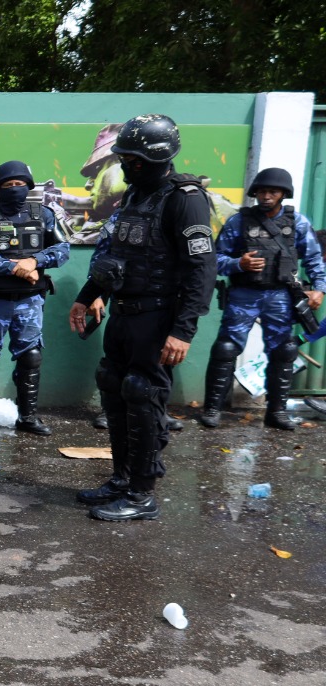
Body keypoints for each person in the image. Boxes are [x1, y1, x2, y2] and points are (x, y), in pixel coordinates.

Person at [69, 114, 215, 522]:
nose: (126, 165)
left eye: (132, 158)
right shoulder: (135, 197)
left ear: (155, 158)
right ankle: (122, 479)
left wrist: (183, 331)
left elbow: (201, 269)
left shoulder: (185, 198)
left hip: (157, 319)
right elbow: (117, 257)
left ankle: (142, 494)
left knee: (142, 394)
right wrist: (87, 296)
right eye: (123, 157)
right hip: (123, 313)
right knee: (114, 387)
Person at [197, 167, 326, 430]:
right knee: (226, 348)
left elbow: (313, 259)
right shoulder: (238, 222)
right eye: (262, 191)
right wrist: (238, 264)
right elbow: (215, 260)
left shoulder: (297, 223)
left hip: (280, 294)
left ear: (283, 194)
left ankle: (276, 412)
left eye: (273, 191)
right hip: (245, 294)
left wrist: (319, 289)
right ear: (255, 193)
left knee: (283, 350)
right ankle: (212, 409)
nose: (266, 196)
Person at [0, 160, 70, 438]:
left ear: (29, 187)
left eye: (19, 184)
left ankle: (27, 417)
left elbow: (62, 249)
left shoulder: (44, 215)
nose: (15, 189)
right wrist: (16, 268)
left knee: (31, 357)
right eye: (8, 185)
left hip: (30, 302)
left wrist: (35, 260)